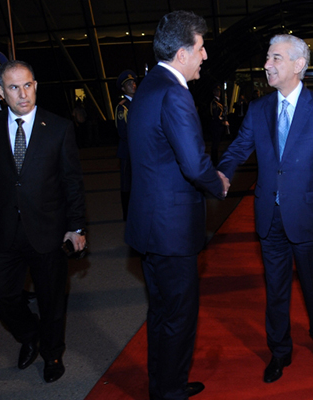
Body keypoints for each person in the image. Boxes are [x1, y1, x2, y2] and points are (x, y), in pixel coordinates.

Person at [218, 34, 313, 383]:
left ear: (298, 65)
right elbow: (239, 148)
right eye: (267, 58)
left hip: (309, 216)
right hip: (268, 216)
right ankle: (279, 351)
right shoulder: (259, 109)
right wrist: (222, 173)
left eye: (276, 58)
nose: (267, 65)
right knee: (275, 290)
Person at [124, 11, 229, 400]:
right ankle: (170, 391)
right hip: (172, 231)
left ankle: (163, 383)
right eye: (201, 48)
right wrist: (218, 183)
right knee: (179, 318)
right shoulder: (174, 93)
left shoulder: (149, 86)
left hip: (150, 226)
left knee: (161, 313)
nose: (205, 56)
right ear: (182, 53)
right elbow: (194, 164)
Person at [0, 60, 86, 383]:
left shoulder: (59, 128)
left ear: (35, 86)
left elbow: (72, 182)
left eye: (27, 85)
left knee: (52, 300)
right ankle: (30, 333)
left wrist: (76, 227)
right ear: (0, 91)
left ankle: (52, 353)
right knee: (0, 294)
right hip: (3, 229)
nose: (23, 94)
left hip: (48, 229)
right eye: (13, 87)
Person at [115, 69, 137, 220]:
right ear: (123, 89)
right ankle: (127, 214)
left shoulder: (139, 103)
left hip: (139, 150)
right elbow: (123, 132)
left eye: (133, 82)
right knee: (127, 183)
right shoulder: (123, 107)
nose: (132, 85)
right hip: (128, 150)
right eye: (128, 84)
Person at [209, 85, 228, 164]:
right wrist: (222, 121)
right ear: (214, 92)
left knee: (218, 143)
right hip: (216, 125)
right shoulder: (214, 102)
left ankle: (216, 159)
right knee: (215, 143)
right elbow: (214, 115)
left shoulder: (220, 102)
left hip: (219, 125)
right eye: (217, 91)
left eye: (219, 91)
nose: (218, 92)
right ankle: (214, 160)